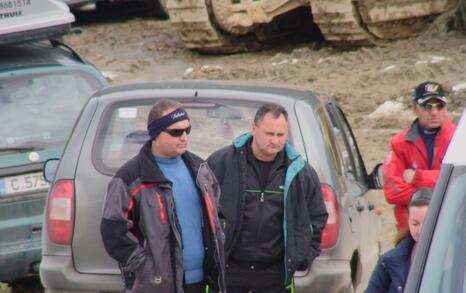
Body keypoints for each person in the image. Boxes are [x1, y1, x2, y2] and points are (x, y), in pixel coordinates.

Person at [100, 100, 226, 293]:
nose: (184, 137)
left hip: (202, 282)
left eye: (187, 130)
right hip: (156, 285)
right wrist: (146, 268)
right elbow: (113, 231)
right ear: (156, 133)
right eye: (176, 132)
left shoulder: (200, 168)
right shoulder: (130, 177)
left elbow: (217, 214)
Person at [207, 103, 328, 293]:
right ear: (254, 128)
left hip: (276, 276)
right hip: (229, 272)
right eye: (269, 134)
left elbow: (318, 217)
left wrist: (303, 255)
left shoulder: (301, 172)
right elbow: (201, 210)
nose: (275, 141)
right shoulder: (221, 162)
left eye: (281, 135)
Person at [383, 81, 456, 230]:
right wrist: (439, 191)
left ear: (446, 108)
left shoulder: (460, 140)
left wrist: (418, 177)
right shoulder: (399, 143)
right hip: (411, 231)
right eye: (427, 106)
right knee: (393, 255)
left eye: (439, 106)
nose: (434, 112)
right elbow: (392, 192)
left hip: (454, 229)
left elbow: (460, 182)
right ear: (414, 108)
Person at [366, 188, 433, 293]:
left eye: (426, 222)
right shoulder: (388, 261)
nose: (421, 230)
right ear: (408, 222)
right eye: (415, 224)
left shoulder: (457, 258)